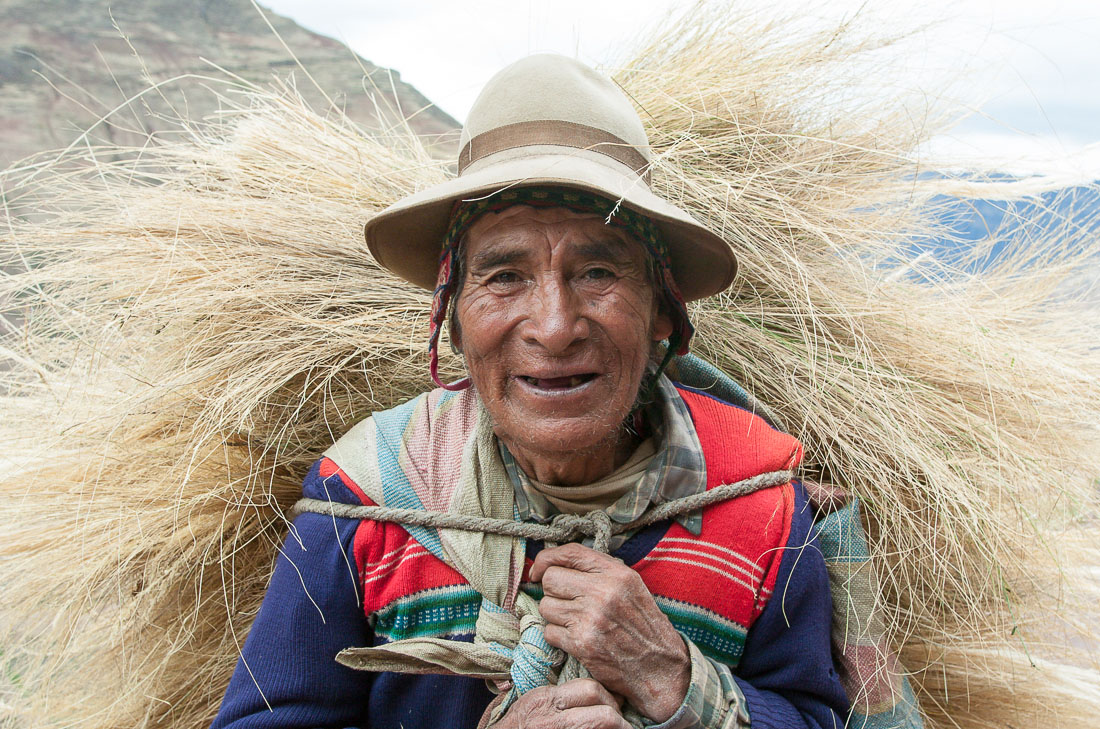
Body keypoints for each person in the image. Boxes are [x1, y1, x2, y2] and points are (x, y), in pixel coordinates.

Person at [211, 53, 848, 729]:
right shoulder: (365, 495)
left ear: (663, 310)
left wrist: (674, 679)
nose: (553, 327)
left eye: (598, 270)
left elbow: (820, 715)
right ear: (452, 317)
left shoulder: (759, 499)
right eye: (504, 275)